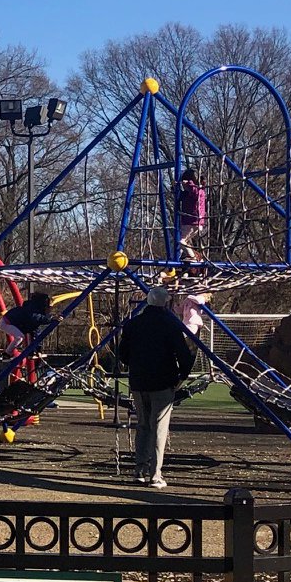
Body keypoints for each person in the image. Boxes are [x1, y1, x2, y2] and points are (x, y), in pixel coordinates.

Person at [116, 287, 195, 489]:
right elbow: (183, 354)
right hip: (162, 382)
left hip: (139, 382)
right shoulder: (170, 324)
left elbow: (122, 354)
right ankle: (155, 474)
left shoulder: (134, 324)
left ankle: (140, 470)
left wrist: (136, 364)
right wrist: (181, 376)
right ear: (165, 303)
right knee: (159, 427)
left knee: (143, 425)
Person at [175, 168, 209, 261]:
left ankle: (193, 257)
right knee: (183, 241)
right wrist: (175, 190)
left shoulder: (199, 191)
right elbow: (182, 197)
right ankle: (184, 257)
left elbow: (195, 193)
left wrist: (188, 184)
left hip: (193, 221)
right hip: (190, 221)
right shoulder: (189, 193)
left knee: (180, 241)